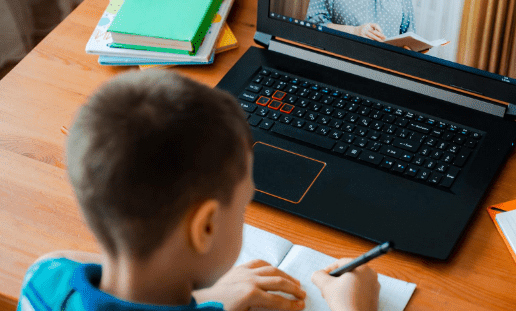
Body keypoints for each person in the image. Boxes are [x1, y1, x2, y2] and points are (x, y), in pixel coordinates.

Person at [16, 71, 380, 311]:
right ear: (204, 227)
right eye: (243, 206)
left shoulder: (45, 282)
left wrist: (204, 298)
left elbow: (55, 258)